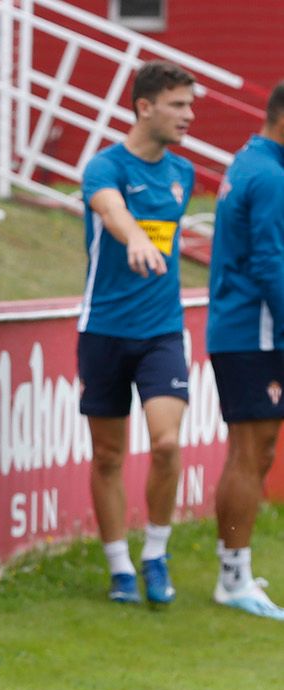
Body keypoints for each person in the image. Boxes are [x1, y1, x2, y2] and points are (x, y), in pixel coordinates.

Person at [77, 60, 197, 605]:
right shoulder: (103, 167)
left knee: (168, 443)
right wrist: (134, 238)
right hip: (103, 330)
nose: (188, 116)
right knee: (107, 456)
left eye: (190, 105)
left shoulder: (183, 173)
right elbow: (110, 208)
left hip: (162, 331)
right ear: (145, 107)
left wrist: (150, 244)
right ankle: (120, 567)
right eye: (179, 105)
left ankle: (155, 551)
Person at [205, 81, 284, 619]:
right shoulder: (270, 175)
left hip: (248, 330)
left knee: (260, 451)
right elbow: (269, 262)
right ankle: (232, 578)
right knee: (250, 451)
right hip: (253, 332)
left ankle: (235, 565)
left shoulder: (250, 162)